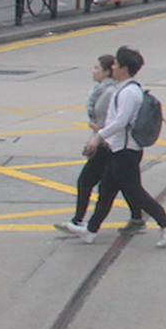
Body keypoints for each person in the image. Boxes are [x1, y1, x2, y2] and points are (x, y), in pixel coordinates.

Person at [76, 46, 166, 246]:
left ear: (123, 68)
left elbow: (121, 121)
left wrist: (98, 136)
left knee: (133, 191)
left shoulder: (128, 92)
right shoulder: (124, 89)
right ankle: (90, 231)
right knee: (106, 190)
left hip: (126, 150)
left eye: (114, 63)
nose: (112, 66)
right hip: (118, 149)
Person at [59, 55, 121, 235]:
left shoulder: (110, 92)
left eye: (96, 68)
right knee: (126, 185)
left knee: (87, 182)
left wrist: (97, 134)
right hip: (103, 142)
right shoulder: (101, 90)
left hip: (107, 145)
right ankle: (139, 217)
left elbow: (115, 120)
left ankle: (79, 222)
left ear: (107, 71)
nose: (93, 71)